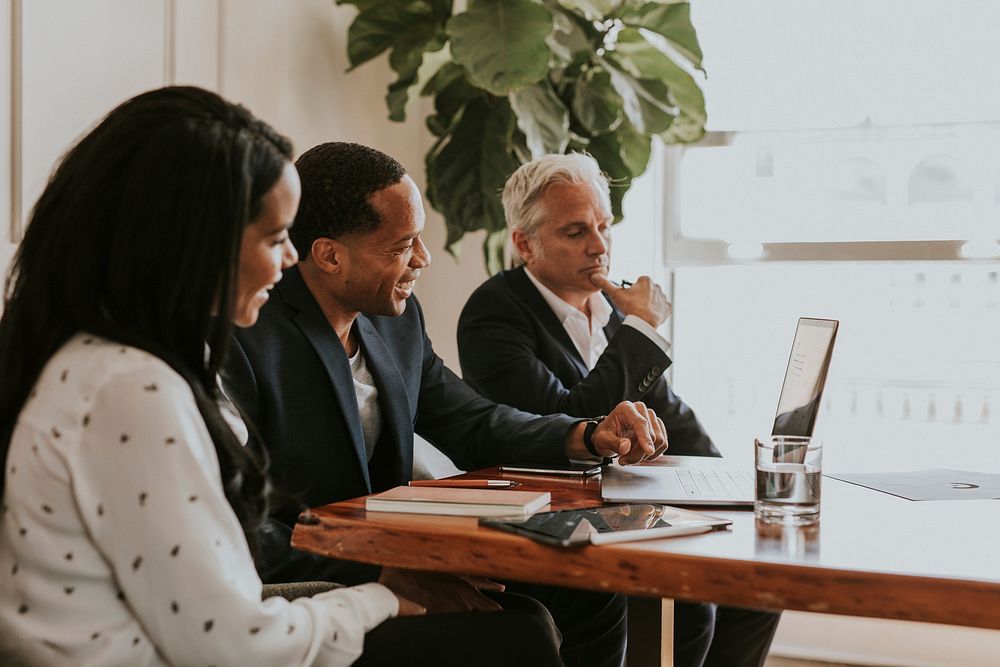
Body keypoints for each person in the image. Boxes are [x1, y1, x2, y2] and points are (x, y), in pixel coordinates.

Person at [0, 87, 563, 667]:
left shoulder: (88, 355)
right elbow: (228, 642)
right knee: (515, 639)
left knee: (519, 622)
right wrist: (379, 596)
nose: (288, 261)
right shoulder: (131, 388)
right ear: (195, 246)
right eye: (275, 240)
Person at [223, 142, 668, 667]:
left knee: (589, 593)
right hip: (312, 574)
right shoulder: (247, 333)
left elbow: (472, 421)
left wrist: (585, 434)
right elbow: (237, 526)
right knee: (522, 631)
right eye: (402, 245)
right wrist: (381, 578)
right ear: (328, 254)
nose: (423, 259)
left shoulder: (396, 321)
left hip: (391, 549)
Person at [457, 153, 782, 667]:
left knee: (761, 585)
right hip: (553, 514)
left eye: (605, 227)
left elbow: (668, 411)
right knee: (690, 603)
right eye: (575, 231)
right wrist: (642, 331)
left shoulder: (612, 311)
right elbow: (568, 424)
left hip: (625, 505)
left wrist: (736, 484)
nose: (600, 246)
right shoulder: (493, 313)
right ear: (525, 243)